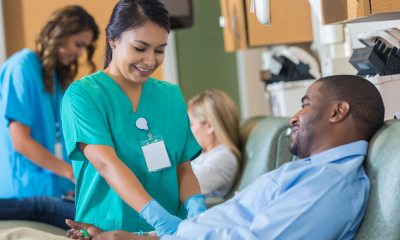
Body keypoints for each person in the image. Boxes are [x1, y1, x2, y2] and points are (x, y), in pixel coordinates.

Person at [65, 74, 385, 240]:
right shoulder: (310, 172)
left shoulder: (329, 185)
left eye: (305, 103)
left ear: (338, 112)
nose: (294, 117)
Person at [60, 0, 205, 237]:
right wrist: (156, 216)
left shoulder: (170, 96)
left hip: (165, 235)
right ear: (113, 40)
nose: (150, 60)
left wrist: (196, 208)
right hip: (106, 230)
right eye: (140, 48)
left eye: (159, 50)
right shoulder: (83, 95)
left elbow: (183, 169)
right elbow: (106, 163)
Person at [0, 5, 99, 198]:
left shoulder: (56, 78)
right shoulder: (21, 68)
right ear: (60, 35)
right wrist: (70, 173)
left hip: (53, 189)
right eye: (78, 44)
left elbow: (58, 140)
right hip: (23, 191)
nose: (80, 53)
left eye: (85, 47)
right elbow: (21, 141)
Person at [188, 89, 241, 198]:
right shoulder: (204, 153)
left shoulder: (224, 158)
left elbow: (184, 186)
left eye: (191, 124)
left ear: (209, 126)